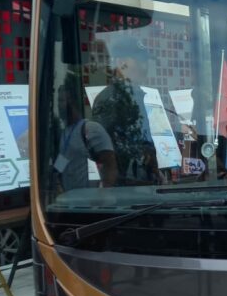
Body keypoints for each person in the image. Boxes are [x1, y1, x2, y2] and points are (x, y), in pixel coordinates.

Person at [92, 34, 160, 184]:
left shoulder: (135, 95)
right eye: (140, 61)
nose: (145, 67)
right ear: (121, 63)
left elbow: (143, 138)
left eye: (146, 61)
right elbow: (105, 153)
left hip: (143, 185)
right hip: (124, 190)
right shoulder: (109, 100)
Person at [55, 73, 116, 191]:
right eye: (58, 101)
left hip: (89, 202)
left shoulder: (91, 129)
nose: (58, 105)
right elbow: (64, 160)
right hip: (69, 203)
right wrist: (56, 180)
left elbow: (110, 165)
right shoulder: (65, 133)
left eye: (61, 100)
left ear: (72, 101)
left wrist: (105, 195)